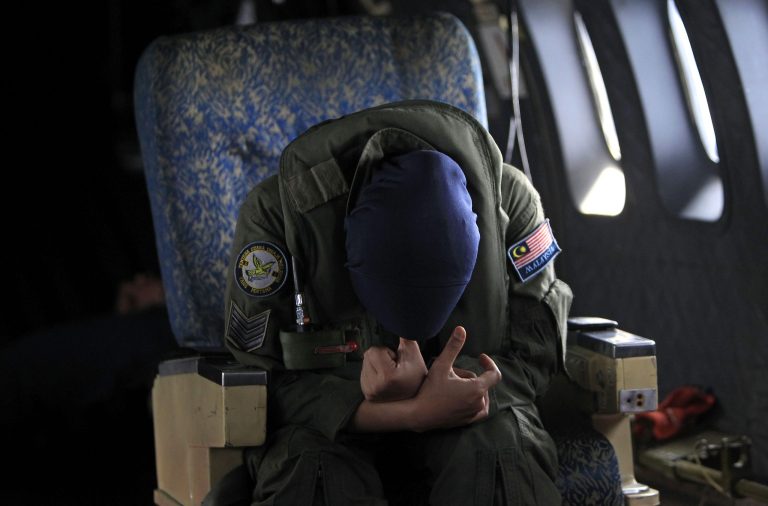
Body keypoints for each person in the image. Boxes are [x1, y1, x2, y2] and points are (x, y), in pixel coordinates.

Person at [220, 100, 572, 505]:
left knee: (500, 458)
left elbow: (533, 353)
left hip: (475, 413)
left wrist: (460, 387)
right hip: (329, 421)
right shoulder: (276, 215)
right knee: (313, 473)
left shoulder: (509, 201)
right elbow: (263, 379)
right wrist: (405, 412)